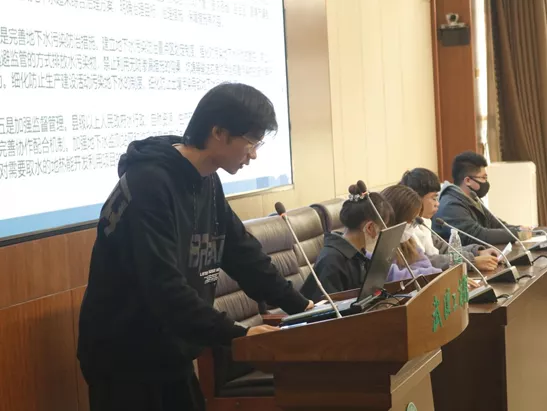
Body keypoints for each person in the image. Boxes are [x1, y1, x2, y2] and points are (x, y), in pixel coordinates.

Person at [77, 83, 313, 411]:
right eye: (251, 142)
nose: (253, 154)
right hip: (124, 358)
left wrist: (305, 308)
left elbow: (242, 254)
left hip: (170, 352)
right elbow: (163, 286)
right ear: (219, 132)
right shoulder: (149, 184)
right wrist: (238, 336)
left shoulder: (207, 180)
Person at [299, 184, 394, 302]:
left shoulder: (359, 254)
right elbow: (331, 308)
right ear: (369, 228)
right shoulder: (331, 261)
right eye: (381, 230)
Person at [400, 168, 499, 271]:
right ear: (416, 198)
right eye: (433, 198)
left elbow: (444, 248)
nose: (437, 203)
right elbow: (427, 262)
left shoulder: (423, 223)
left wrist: (476, 252)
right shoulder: (406, 231)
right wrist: (472, 261)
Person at [432, 151, 525, 246]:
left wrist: (521, 229)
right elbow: (478, 235)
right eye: (483, 178)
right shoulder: (451, 205)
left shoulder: (473, 198)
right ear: (468, 180)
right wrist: (518, 234)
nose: (486, 182)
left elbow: (495, 223)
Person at [380, 185, 442, 281]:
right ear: (395, 216)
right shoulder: (378, 245)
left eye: (414, 221)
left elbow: (426, 265)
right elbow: (395, 276)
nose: (412, 225)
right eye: (410, 220)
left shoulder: (408, 241)